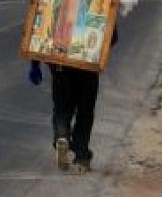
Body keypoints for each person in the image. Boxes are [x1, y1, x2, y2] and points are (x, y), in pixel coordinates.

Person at [29, 25, 119, 173]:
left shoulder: (54, 0)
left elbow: (40, 28)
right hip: (88, 65)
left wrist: (35, 64)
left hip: (60, 66)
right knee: (85, 113)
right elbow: (112, 36)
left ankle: (62, 136)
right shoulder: (100, 1)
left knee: (62, 109)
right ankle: (82, 158)